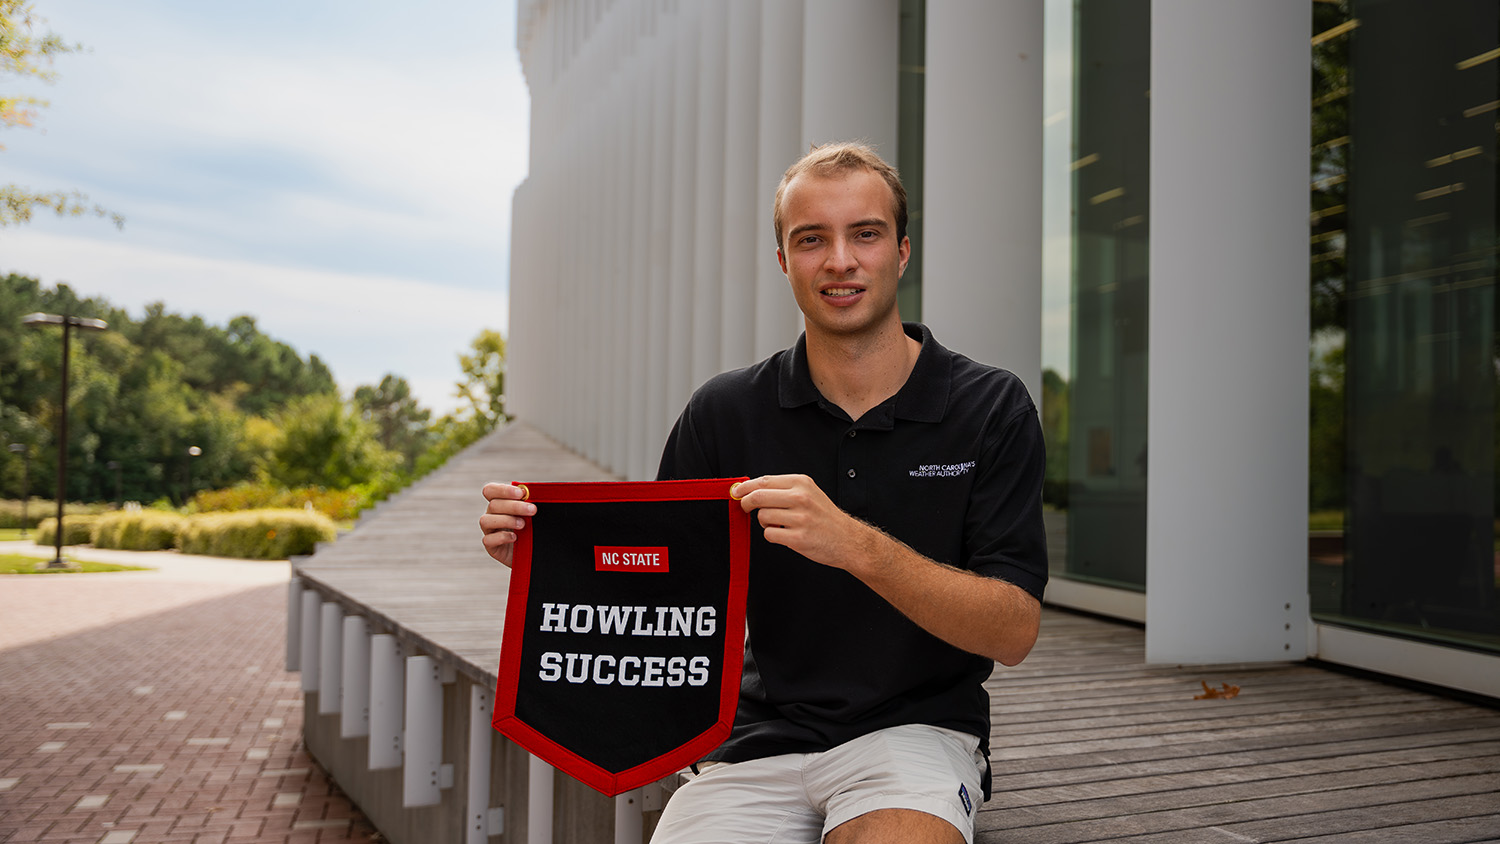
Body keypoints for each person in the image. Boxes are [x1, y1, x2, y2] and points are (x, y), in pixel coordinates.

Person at [481, 141, 1047, 844]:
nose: (840, 260)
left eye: (864, 234)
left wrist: (855, 546)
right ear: (784, 261)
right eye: (812, 240)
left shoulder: (989, 407)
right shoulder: (725, 412)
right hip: (752, 744)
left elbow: (1014, 629)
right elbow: (661, 597)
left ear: (901, 252)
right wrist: (548, 564)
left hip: (916, 739)